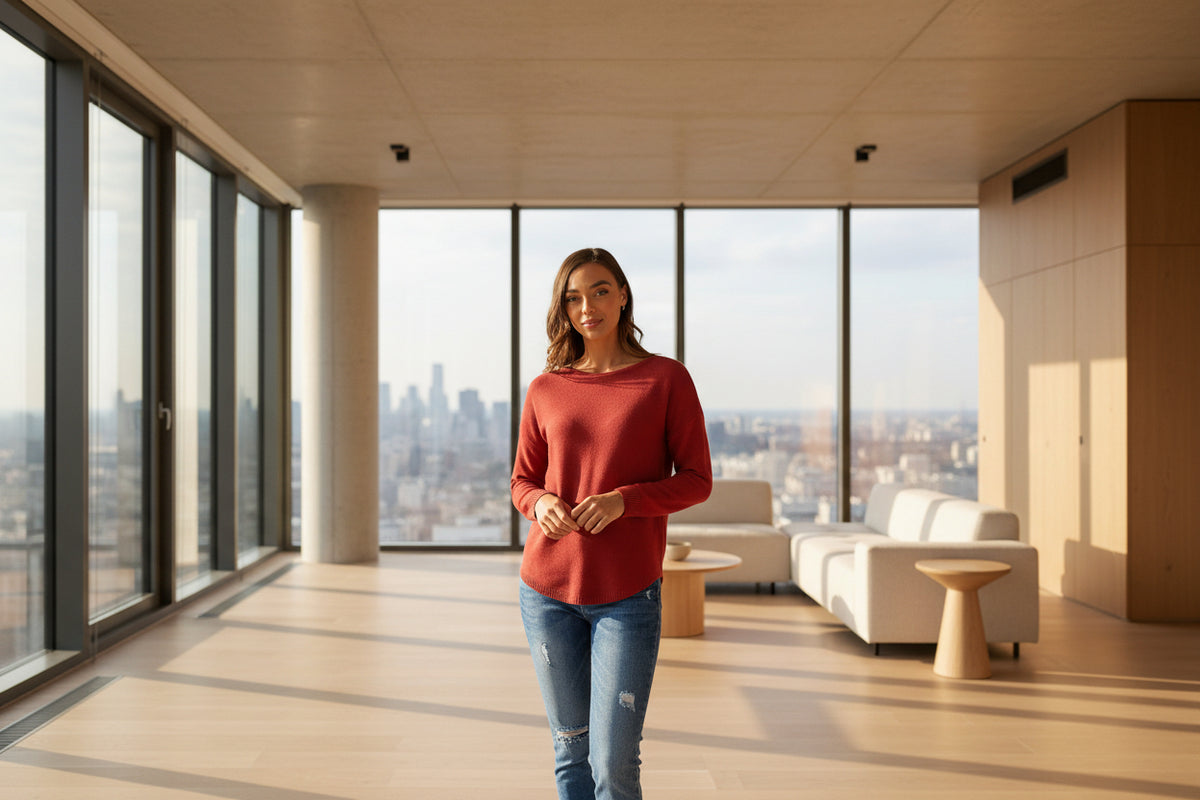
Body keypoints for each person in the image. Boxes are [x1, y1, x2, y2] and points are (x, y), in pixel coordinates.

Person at [512, 247, 713, 800]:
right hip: (546, 591)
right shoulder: (546, 388)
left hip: (627, 596)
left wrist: (625, 500)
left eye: (599, 291)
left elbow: (697, 479)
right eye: (573, 297)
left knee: (613, 763)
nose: (587, 307)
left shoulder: (665, 379)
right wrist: (540, 504)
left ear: (622, 294)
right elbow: (521, 482)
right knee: (570, 752)